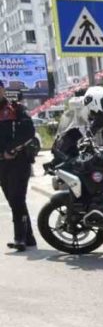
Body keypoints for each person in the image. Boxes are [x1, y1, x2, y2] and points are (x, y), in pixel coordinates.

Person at [0, 80, 38, 251]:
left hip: (18, 161)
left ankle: (19, 238)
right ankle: (28, 237)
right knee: (13, 200)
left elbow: (28, 131)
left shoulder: (16, 109)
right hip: (1, 163)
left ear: (2, 90)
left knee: (16, 198)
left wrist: (12, 149)